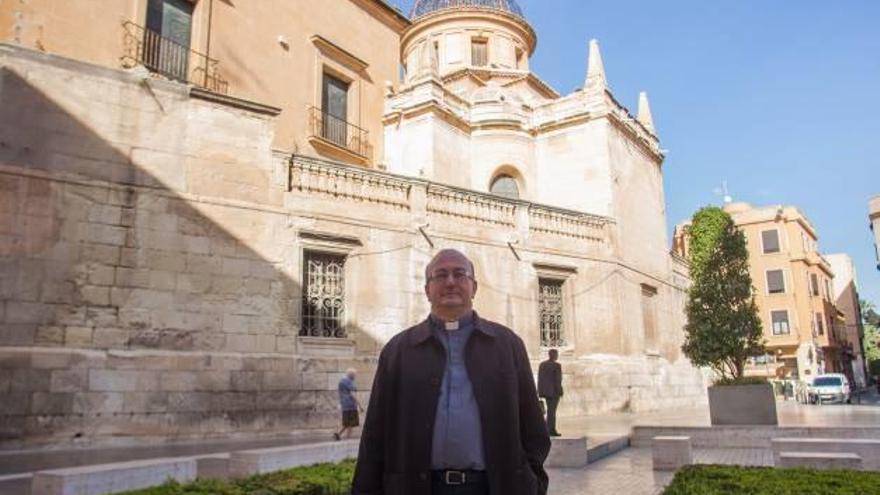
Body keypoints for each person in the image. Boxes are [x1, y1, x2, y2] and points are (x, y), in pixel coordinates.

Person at [352, 249, 550, 495]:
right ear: (427, 290)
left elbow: (533, 427)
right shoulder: (399, 350)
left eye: (459, 274)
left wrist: (532, 482)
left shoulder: (507, 345)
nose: (450, 282)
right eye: (440, 275)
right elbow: (375, 433)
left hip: (491, 487)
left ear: (474, 287)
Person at [537, 349, 563, 437]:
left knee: (550, 412)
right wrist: (560, 391)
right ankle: (551, 430)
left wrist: (540, 391)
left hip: (545, 392)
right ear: (554, 355)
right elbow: (558, 380)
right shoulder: (557, 366)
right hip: (554, 392)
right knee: (552, 412)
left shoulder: (542, 365)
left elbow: (540, 379)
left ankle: (550, 429)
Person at [334, 368, 362, 441]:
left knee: (347, 422)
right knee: (351, 422)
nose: (355, 377)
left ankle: (339, 434)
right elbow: (352, 395)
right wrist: (359, 405)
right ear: (352, 376)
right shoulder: (349, 383)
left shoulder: (341, 382)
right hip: (351, 405)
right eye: (355, 375)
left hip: (344, 405)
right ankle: (347, 437)